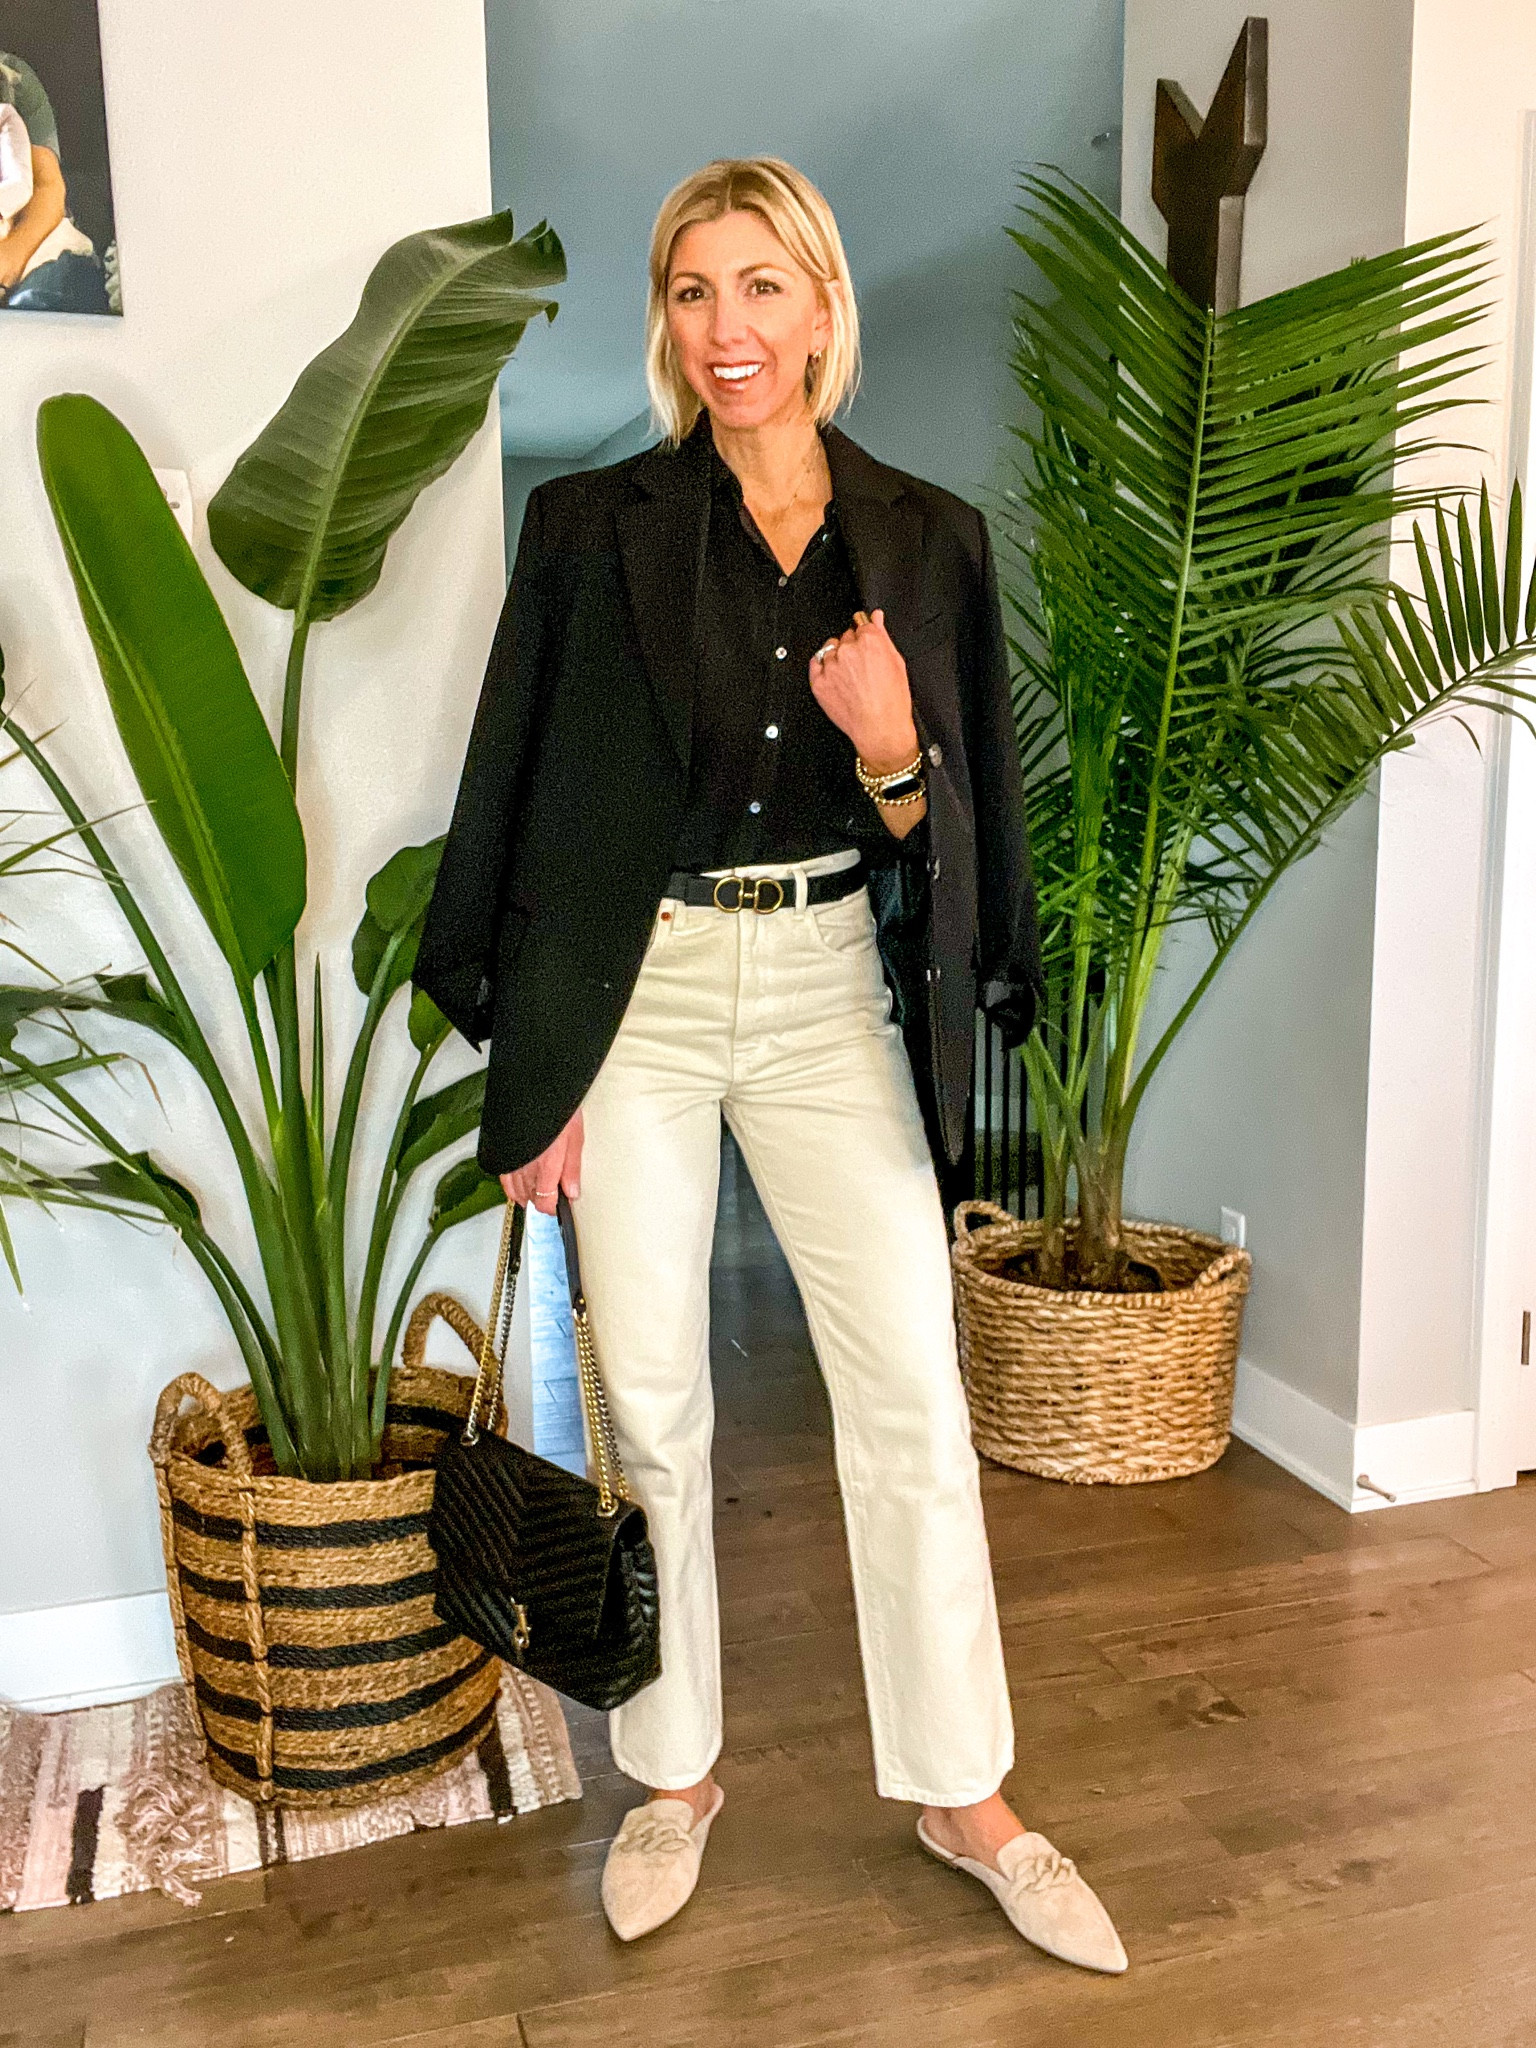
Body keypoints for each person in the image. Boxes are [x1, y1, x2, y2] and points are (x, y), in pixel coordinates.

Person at [415, 156, 1127, 1974]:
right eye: (687, 292)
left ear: (820, 304)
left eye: (757, 288)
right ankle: (673, 1771)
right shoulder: (593, 525)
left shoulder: (927, 536)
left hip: (823, 985)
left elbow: (953, 835)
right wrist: (535, 1066)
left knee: (906, 1382)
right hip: (636, 990)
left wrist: (895, 753)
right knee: (651, 1399)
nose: (723, 330)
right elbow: (516, 788)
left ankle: (968, 1791)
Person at [0, 51, 109, 315]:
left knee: (37, 306)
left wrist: (7, 260)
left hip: (39, 247)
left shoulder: (11, 81)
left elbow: (45, 189)